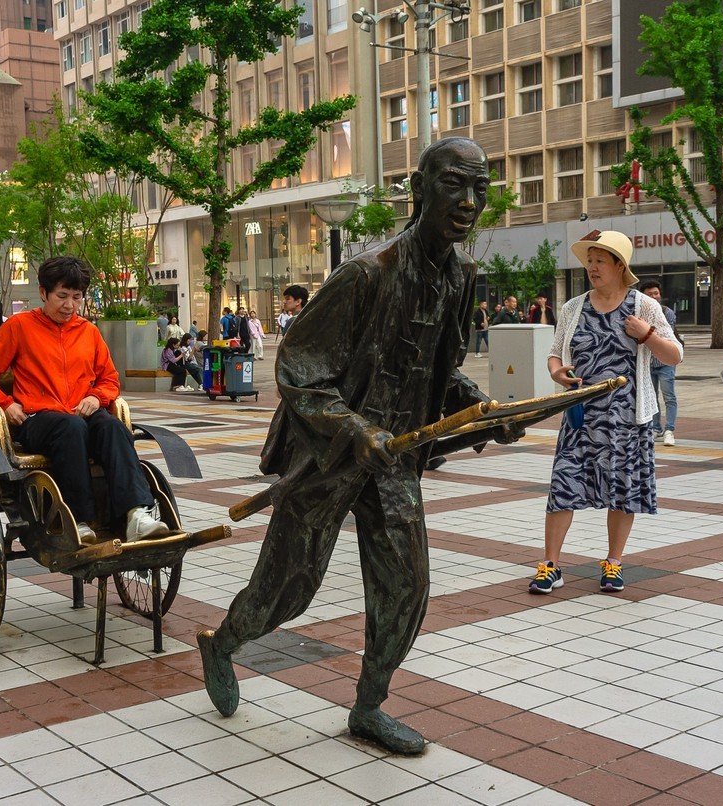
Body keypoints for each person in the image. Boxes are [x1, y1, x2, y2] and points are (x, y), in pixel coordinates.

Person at [197, 138, 509, 756]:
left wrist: (479, 411)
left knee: (406, 584)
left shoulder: (460, 276)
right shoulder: (367, 274)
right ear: (420, 191)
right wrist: (355, 429)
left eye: (480, 188)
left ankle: (368, 706)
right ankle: (224, 643)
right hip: (331, 452)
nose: (469, 202)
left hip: (397, 460)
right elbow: (299, 369)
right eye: (454, 185)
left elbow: (439, 371)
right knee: (291, 583)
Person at [0, 255, 171, 544]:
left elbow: (110, 379)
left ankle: (136, 514)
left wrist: (96, 396)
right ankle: (78, 519)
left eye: (76, 297)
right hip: (38, 419)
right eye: (62, 296)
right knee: (71, 428)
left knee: (114, 428)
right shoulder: (20, 326)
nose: (69, 305)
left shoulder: (88, 332)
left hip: (82, 413)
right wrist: (5, 402)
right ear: (43, 293)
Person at [529, 230, 682, 598]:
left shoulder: (644, 307)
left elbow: (674, 355)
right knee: (563, 486)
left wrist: (646, 335)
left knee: (622, 492)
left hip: (628, 418)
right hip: (581, 416)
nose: (592, 268)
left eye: (600, 261)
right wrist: (555, 371)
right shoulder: (573, 307)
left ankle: (613, 562)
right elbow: (555, 352)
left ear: (619, 266)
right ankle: (550, 565)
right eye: (589, 261)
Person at [640, 280, 679, 445]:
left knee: (669, 396)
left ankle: (669, 430)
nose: (654, 297)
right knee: (652, 397)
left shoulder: (667, 313)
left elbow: (661, 337)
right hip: (648, 362)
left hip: (665, 362)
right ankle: (656, 429)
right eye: (650, 295)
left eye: (656, 293)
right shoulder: (639, 314)